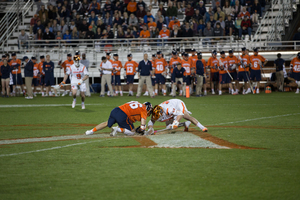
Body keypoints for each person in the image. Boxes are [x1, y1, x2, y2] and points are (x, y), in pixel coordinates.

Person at [85, 101, 153, 136]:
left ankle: (90, 131)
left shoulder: (137, 103)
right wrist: (143, 131)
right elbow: (142, 127)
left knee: (107, 123)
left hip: (116, 110)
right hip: (123, 115)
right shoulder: (144, 110)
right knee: (132, 132)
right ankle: (116, 129)